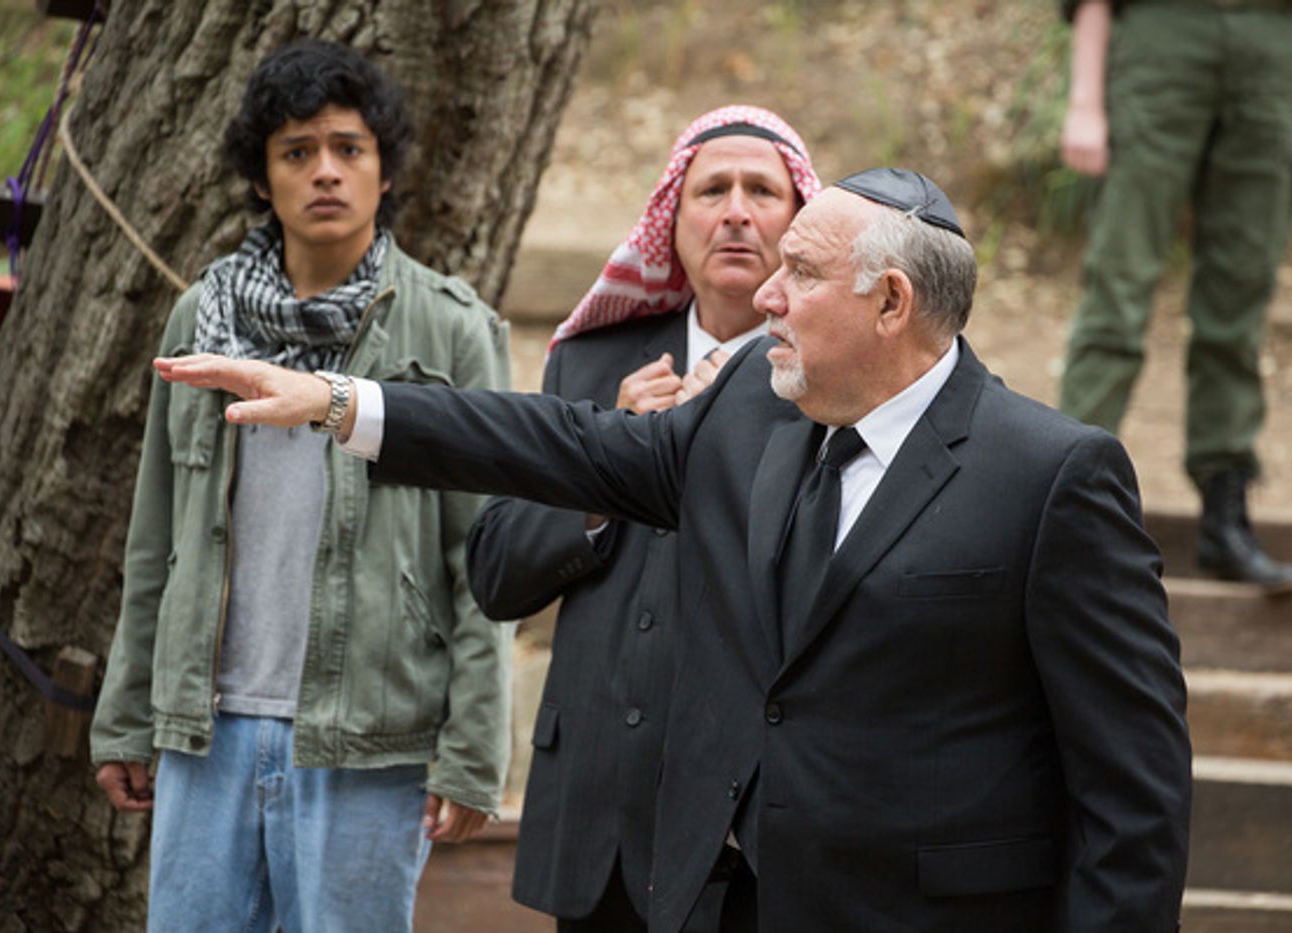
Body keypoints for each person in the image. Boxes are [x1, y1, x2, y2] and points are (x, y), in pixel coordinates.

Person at [155, 167, 1192, 933]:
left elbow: (1132, 791)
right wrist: (346, 402)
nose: (767, 299)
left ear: (890, 304)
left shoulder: (1054, 475)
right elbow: (565, 443)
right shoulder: (749, 406)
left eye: (799, 273)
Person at [89, 40, 513, 932]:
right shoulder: (199, 317)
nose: (326, 171)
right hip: (206, 732)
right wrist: (129, 717)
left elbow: (484, 554)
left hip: (367, 740)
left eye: (349, 148)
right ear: (261, 176)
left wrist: (473, 746)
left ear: (384, 169)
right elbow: (156, 535)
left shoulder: (450, 329)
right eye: (297, 151)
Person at [465, 106, 820, 931]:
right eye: (712, 189)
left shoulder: (825, 377)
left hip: (747, 832)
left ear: (801, 222)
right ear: (672, 220)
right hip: (594, 821)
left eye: (763, 190)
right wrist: (605, 468)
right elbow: (493, 572)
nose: (736, 209)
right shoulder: (591, 362)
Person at [1056, 0, 1292, 592]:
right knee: (1119, 284)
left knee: (1241, 295)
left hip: (1273, 50)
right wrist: (1084, 101)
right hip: (1162, 39)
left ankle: (1224, 515)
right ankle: (1060, 506)